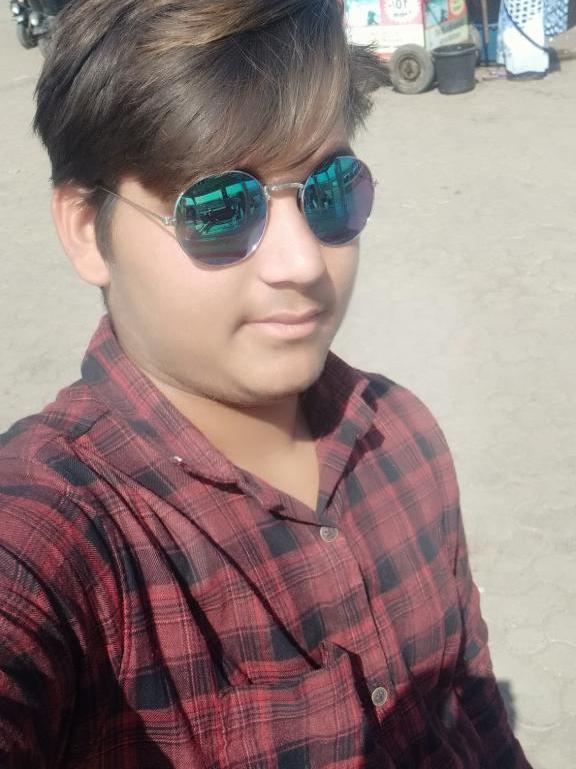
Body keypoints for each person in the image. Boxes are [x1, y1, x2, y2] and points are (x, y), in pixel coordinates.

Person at [0, 1, 532, 767]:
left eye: (329, 190)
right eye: (220, 208)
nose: (303, 262)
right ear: (88, 229)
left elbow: (475, 708)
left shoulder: (402, 438)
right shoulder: (66, 537)